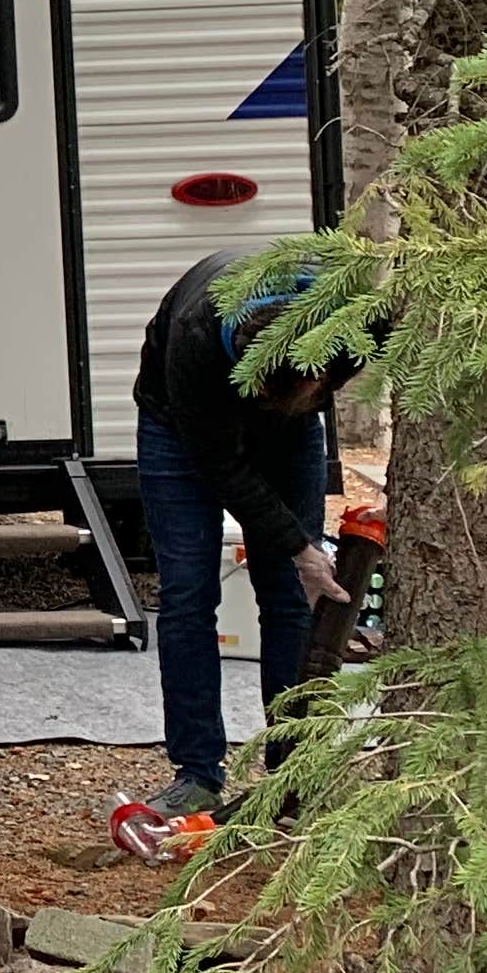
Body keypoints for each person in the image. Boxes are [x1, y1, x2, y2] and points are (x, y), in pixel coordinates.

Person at [118, 246, 351, 846]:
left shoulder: (348, 319)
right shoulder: (197, 345)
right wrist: (302, 546)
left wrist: (298, 556)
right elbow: (223, 469)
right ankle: (197, 773)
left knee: (289, 595)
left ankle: (292, 771)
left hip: (295, 428)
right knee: (189, 593)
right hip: (180, 430)